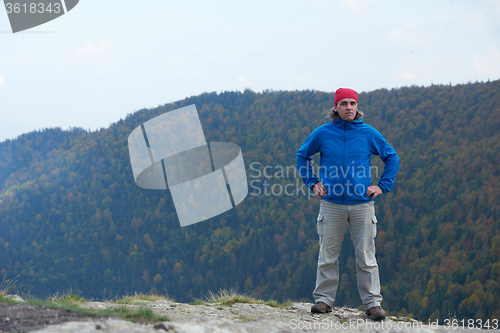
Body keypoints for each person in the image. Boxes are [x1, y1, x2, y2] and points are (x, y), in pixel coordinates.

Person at [296, 88, 399, 321]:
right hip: (331, 203)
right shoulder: (322, 133)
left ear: (357, 106)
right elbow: (302, 155)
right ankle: (323, 300)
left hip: (363, 204)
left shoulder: (368, 133)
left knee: (366, 255)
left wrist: (382, 185)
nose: (349, 107)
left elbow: (392, 157)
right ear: (336, 107)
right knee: (328, 253)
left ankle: (373, 304)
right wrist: (313, 182)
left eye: (353, 103)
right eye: (344, 103)